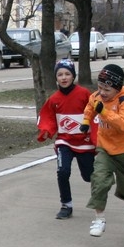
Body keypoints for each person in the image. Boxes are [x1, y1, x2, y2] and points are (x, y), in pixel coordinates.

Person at [80, 64, 124, 238]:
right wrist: (86, 121)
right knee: (98, 180)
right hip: (104, 147)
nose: (102, 92)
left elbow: (123, 124)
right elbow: (90, 105)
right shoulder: (97, 96)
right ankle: (99, 219)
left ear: (117, 88)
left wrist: (104, 111)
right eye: (100, 87)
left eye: (107, 89)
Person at [38, 60, 98, 219]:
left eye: (67, 74)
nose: (64, 77)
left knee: (89, 176)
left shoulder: (84, 94)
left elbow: (95, 115)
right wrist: (46, 129)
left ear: (73, 76)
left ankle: (101, 187)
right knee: (63, 171)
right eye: (60, 74)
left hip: (84, 142)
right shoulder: (54, 99)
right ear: (56, 78)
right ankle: (66, 205)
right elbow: (47, 117)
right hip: (64, 141)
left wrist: (96, 137)